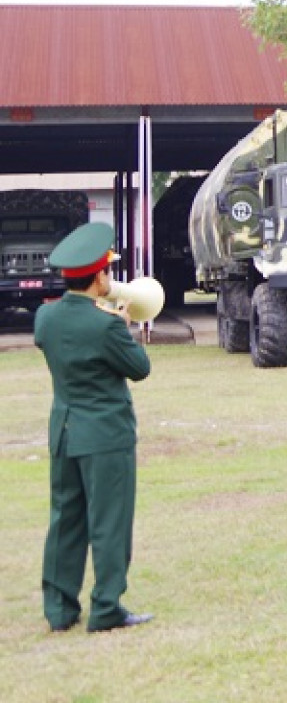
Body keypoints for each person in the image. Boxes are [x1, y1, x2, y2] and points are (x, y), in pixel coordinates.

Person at [36, 222, 154, 633]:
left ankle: (59, 609)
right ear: (100, 276)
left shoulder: (45, 318)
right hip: (105, 435)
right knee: (108, 521)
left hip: (64, 432)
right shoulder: (106, 325)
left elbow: (57, 337)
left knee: (65, 520)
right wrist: (122, 328)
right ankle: (106, 607)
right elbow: (140, 369)